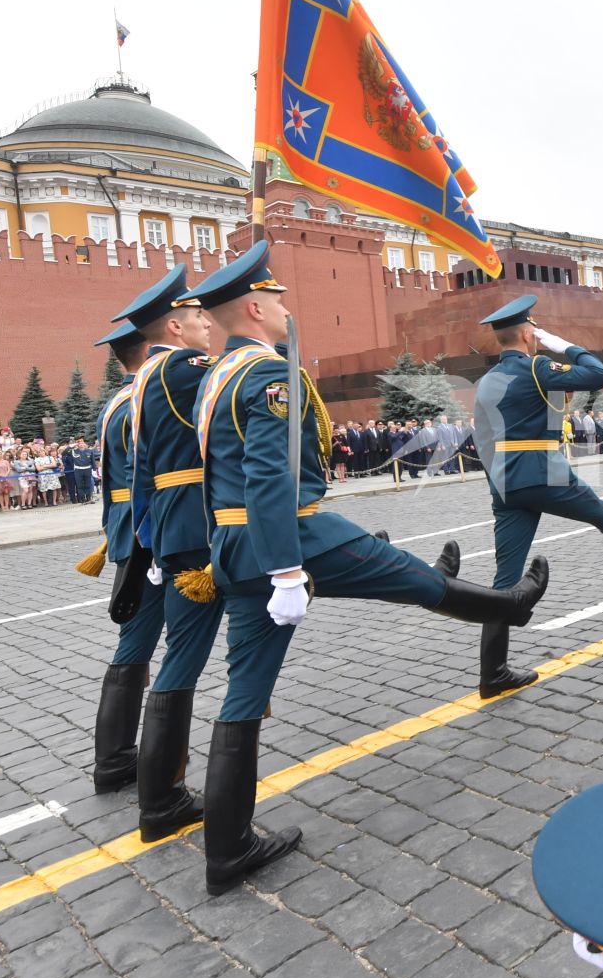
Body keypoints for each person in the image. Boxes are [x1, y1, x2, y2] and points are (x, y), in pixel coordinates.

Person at [184, 241, 551, 895]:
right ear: (254, 306)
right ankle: (512, 604)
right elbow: (268, 479)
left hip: (233, 551)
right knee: (412, 581)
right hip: (293, 539)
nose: (284, 312)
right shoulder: (266, 375)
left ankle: (227, 849)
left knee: (244, 695)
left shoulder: (214, 377)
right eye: (276, 302)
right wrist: (287, 571)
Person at [473, 295, 603, 697]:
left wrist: (497, 483)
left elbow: (481, 436)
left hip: (506, 485)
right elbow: (599, 375)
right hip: (543, 472)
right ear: (529, 333)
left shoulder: (487, 381)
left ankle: (492, 674)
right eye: (535, 331)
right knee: (600, 513)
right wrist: (559, 344)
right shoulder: (536, 367)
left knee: (504, 582)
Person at [117, 267, 225, 843]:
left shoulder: (145, 376)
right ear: (175, 325)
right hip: (200, 528)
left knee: (181, 655)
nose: (210, 325)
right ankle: (161, 800)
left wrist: (148, 533)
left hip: (171, 524)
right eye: (201, 317)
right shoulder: (182, 368)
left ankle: (158, 793)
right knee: (184, 657)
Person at [83, 320, 168, 794]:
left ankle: (114, 759)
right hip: (151, 539)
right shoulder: (142, 401)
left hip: (131, 534)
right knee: (165, 646)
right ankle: (127, 761)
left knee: (135, 644)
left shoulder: (117, 402)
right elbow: (149, 478)